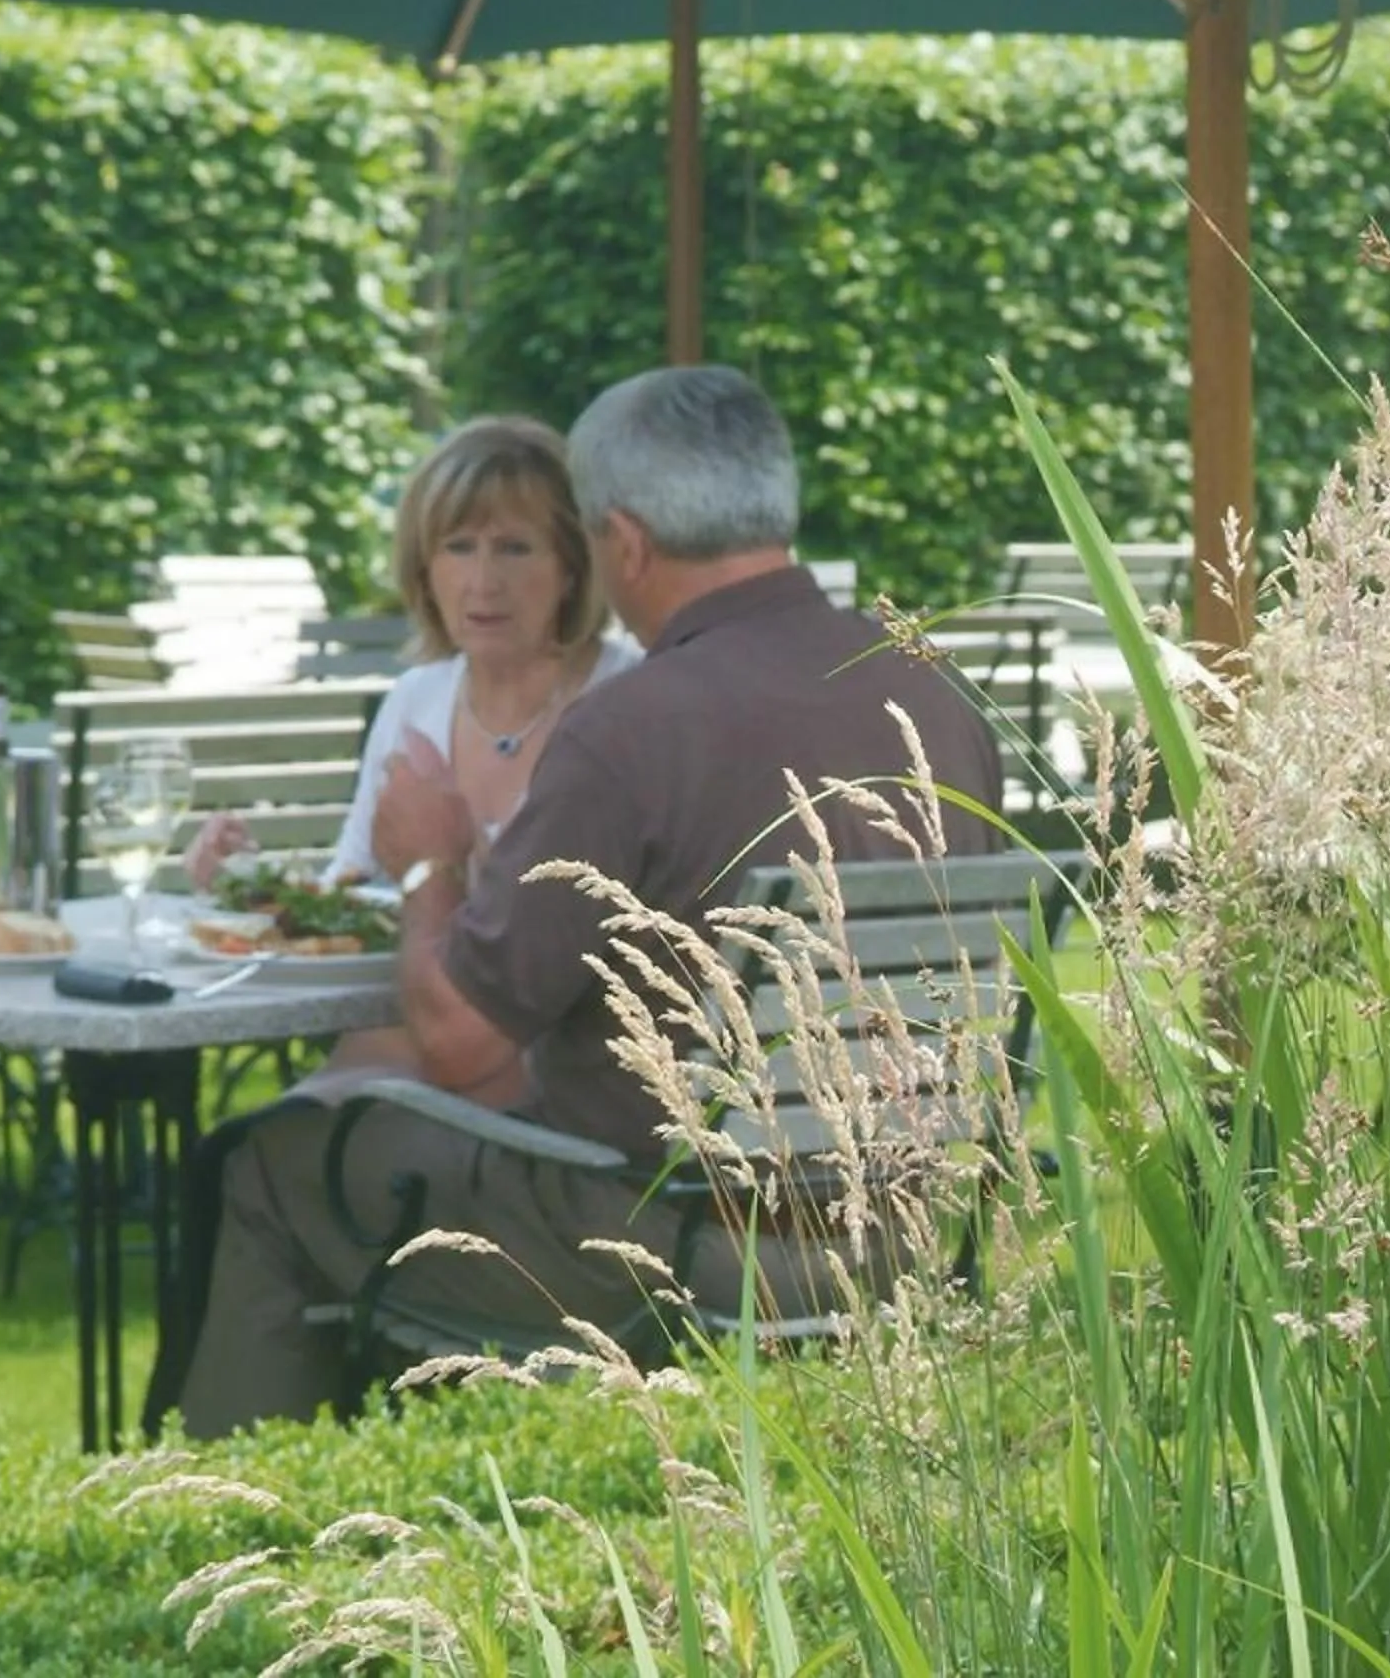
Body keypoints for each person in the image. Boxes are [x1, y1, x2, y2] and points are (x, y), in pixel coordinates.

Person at [170, 365, 1006, 1439]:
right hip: (901, 1233)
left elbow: (462, 1046)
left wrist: (430, 867)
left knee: (274, 1165)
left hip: (665, 1238)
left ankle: (239, 1525)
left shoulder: (635, 726)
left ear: (623, 544)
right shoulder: (936, 696)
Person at [185, 415, 641, 890]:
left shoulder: (630, 699)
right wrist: (247, 884)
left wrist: (448, 861)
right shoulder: (415, 699)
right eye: (459, 548)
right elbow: (352, 883)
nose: (483, 582)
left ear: (571, 569)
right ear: (424, 570)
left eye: (514, 549)